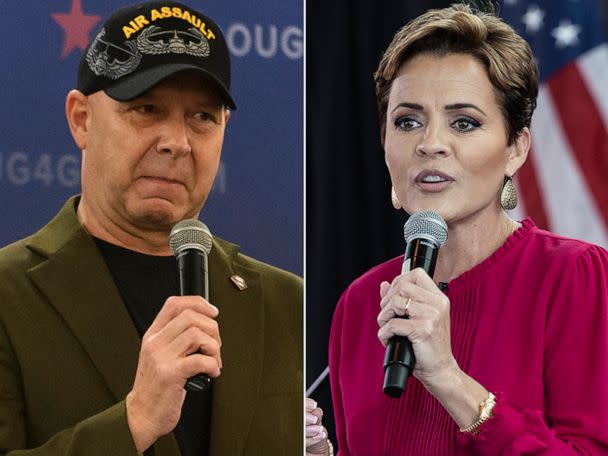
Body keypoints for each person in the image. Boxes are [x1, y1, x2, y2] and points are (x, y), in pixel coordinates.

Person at [0, 1, 302, 455]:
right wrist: (135, 419)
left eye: (202, 117)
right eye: (146, 109)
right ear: (81, 119)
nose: (176, 143)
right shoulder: (8, 295)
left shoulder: (287, 304)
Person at [308, 3, 608, 455]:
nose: (430, 144)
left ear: (516, 148)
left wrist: (448, 377)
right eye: (407, 121)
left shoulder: (573, 276)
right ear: (384, 142)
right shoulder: (359, 304)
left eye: (463, 122)